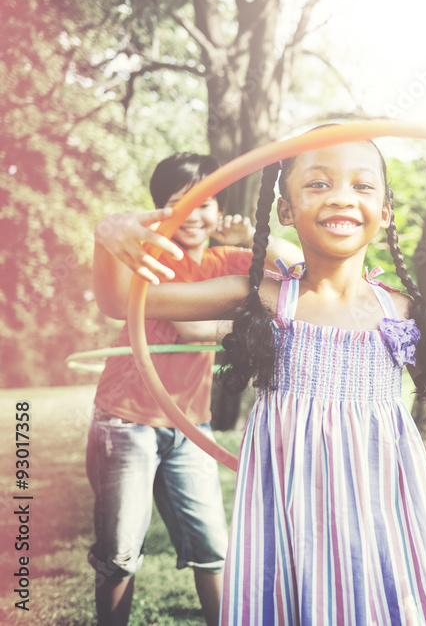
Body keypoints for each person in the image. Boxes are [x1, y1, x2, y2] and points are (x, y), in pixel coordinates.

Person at [91, 134, 426, 625]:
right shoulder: (257, 297)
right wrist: (108, 231)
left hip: (382, 525)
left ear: (385, 209)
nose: (340, 196)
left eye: (361, 185)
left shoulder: (404, 315)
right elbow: (122, 301)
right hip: (290, 525)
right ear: (284, 207)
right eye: (318, 183)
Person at [87, 152, 301, 626]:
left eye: (206, 201)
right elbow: (191, 330)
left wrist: (253, 237)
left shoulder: (229, 259)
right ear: (159, 210)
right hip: (126, 419)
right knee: (121, 553)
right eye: (180, 202)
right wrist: (238, 324)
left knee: (214, 550)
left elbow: (299, 268)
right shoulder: (151, 259)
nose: (195, 213)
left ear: (219, 209)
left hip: (190, 424)